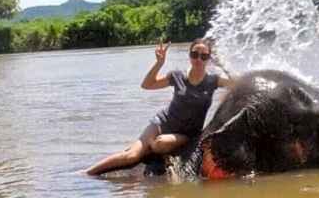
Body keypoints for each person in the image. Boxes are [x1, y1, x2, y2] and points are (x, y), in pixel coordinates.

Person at [85, 38, 233, 176]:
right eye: (195, 54)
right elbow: (147, 85)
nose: (198, 59)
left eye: (204, 56)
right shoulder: (177, 75)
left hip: (187, 133)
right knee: (131, 156)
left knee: (159, 145)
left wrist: (222, 65)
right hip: (162, 122)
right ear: (189, 55)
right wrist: (159, 63)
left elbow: (238, 84)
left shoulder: (213, 81)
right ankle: (86, 173)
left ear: (209, 59)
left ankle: (145, 147)